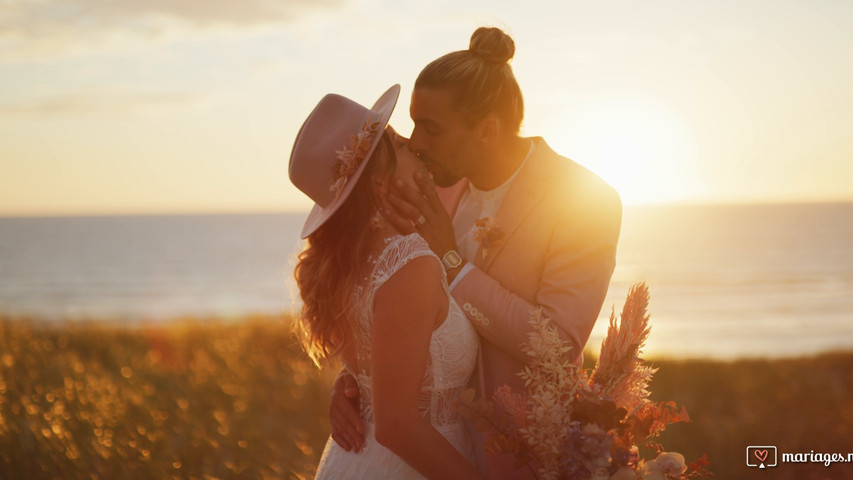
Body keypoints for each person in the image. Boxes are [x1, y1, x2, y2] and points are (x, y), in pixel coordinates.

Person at [328, 27, 623, 479]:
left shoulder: (585, 200)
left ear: (487, 130)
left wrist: (452, 261)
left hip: (511, 453)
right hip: (416, 452)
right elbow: (390, 301)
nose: (415, 143)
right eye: (413, 123)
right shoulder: (433, 186)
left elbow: (557, 346)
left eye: (430, 128)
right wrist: (358, 385)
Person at [289, 85, 486, 479]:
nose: (415, 146)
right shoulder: (409, 265)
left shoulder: (353, 263)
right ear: (379, 183)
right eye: (398, 145)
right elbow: (397, 426)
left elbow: (376, 375)